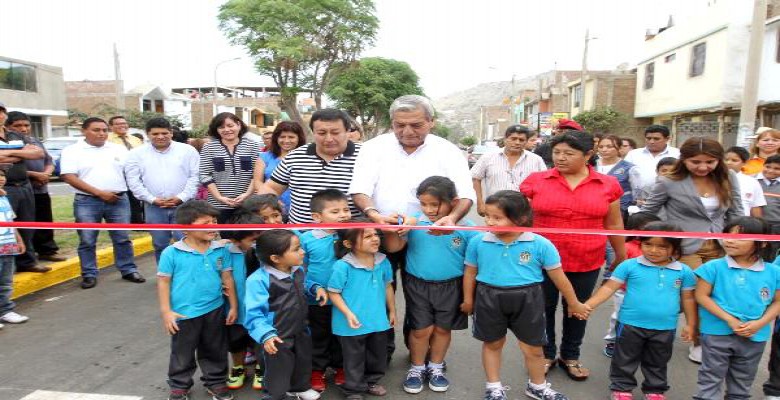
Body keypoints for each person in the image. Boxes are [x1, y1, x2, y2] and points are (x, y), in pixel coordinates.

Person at [520, 131, 626, 380]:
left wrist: (621, 255)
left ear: (588, 155)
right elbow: (520, 219)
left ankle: (571, 355)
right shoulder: (537, 180)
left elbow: (614, 223)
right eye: (557, 152)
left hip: (585, 257)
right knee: (542, 308)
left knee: (578, 308)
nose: (561, 158)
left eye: (569, 153)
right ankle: (546, 354)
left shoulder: (607, 185)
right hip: (540, 260)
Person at [462, 190, 586, 400]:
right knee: (492, 344)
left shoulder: (540, 244)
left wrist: (573, 303)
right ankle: (493, 387)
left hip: (528, 299)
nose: (490, 222)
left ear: (520, 219)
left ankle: (537, 386)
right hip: (489, 298)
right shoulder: (478, 241)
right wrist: (468, 299)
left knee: (534, 349)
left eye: (497, 217)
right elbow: (470, 272)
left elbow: (558, 277)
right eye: (487, 216)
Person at [638, 137, 742, 363]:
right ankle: (697, 340)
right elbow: (649, 213)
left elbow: (736, 212)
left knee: (719, 294)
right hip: (686, 247)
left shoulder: (728, 177)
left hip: (721, 245)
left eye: (710, 162)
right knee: (696, 294)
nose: (703, 167)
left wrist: (739, 241)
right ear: (683, 160)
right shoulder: (669, 181)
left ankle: (714, 337)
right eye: (696, 162)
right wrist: (660, 242)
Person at [382, 176, 479, 394]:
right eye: (424, 204)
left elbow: (476, 264)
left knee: (443, 329)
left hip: (452, 285)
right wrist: (394, 231)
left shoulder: (467, 228)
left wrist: (469, 297)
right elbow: (395, 248)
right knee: (420, 330)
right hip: (418, 285)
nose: (429, 210)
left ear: (453, 202)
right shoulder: (415, 222)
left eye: (435, 204)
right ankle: (417, 368)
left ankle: (435, 367)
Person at [582, 222, 696, 400]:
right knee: (624, 359)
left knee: (658, 362)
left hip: (665, 327)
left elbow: (688, 298)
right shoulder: (629, 266)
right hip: (630, 324)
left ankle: (655, 390)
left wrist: (691, 324)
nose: (653, 250)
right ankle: (622, 388)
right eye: (648, 244)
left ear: (675, 247)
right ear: (640, 243)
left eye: (662, 246)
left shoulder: (684, 271)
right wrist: (588, 305)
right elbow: (608, 288)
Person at [350, 94, 475, 231]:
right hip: (381, 234)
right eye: (400, 125)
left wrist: (452, 218)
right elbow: (359, 189)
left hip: (431, 234)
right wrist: (373, 214)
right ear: (392, 123)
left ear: (431, 121)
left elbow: (465, 194)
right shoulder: (373, 148)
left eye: (416, 125)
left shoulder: (449, 151)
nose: (408, 132)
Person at [156, 200, 237, 400]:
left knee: (215, 349)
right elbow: (164, 282)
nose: (212, 227)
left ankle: (216, 382)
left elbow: (227, 278)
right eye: (205, 224)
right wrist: (167, 312)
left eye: (214, 221)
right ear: (186, 229)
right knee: (182, 352)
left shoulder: (220, 250)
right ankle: (179, 385)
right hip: (183, 313)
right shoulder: (172, 252)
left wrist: (233, 306)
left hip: (215, 309)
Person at [693, 217, 780, 400]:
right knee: (711, 377)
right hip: (717, 331)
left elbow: (777, 302)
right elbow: (701, 295)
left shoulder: (773, 272)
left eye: (740, 237)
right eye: (727, 235)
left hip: (755, 335)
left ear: (762, 242)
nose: (730, 241)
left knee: (742, 380)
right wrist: (730, 319)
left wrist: (760, 323)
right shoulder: (713, 267)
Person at [60, 117, 145, 289]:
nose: (101, 133)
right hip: (87, 201)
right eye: (96, 130)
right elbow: (68, 176)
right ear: (84, 131)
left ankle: (128, 269)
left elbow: (131, 171)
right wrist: (99, 193)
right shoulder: (72, 150)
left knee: (122, 238)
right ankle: (89, 273)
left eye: (104, 130)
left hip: (118, 199)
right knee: (87, 239)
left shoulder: (118, 149)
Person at [244, 229, 326, 400]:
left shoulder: (297, 270)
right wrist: (266, 335)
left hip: (300, 328)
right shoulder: (258, 280)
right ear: (275, 258)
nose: (302, 252)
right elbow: (253, 314)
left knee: (302, 361)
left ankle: (300, 387)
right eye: (296, 249)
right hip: (275, 336)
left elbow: (304, 284)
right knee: (277, 370)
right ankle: (276, 396)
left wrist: (315, 288)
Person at [328, 224, 396, 400]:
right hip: (351, 323)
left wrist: (392, 311)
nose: (375, 239)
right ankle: (353, 389)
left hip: (378, 320)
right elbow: (333, 293)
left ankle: (372, 381)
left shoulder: (383, 261)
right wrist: (348, 314)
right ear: (348, 244)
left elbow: (388, 286)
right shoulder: (342, 266)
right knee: (353, 358)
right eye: (367, 236)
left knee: (377, 353)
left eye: (376, 234)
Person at [258, 109, 361, 224]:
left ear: (348, 131)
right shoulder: (295, 157)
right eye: (322, 133)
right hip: (302, 236)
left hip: (350, 236)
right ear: (313, 133)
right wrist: (271, 206)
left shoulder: (365, 156)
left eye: (335, 132)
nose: (329, 139)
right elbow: (271, 188)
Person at [125, 117, 200, 263]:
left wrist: (182, 197)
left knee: (187, 242)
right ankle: (165, 274)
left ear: (171, 133)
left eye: (164, 133)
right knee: (160, 244)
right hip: (153, 206)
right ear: (148, 134)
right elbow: (133, 181)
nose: (160, 137)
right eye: (155, 134)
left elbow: (195, 176)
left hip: (184, 205)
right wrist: (152, 199)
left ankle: (188, 274)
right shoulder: (136, 154)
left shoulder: (188, 151)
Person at [298, 189, 352, 392]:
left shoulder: (351, 235)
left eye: (346, 210)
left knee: (342, 336)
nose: (343, 215)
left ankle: (341, 368)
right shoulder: (307, 239)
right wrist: (313, 288)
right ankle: (316, 371)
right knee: (318, 337)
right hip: (316, 301)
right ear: (317, 217)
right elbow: (299, 270)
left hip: (346, 300)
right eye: (335, 211)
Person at [5, 111, 65, 262]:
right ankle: (23, 258)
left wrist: (45, 174)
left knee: (43, 220)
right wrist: (34, 174)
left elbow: (46, 159)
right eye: (18, 126)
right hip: (22, 186)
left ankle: (47, 250)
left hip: (41, 187)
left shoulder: (34, 141)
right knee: (22, 224)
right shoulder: (9, 142)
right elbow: (10, 165)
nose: (23, 129)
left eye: (26, 125)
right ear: (8, 126)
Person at [602, 213, 661, 359]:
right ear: (635, 230)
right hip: (625, 291)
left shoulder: (660, 250)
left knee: (645, 316)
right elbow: (617, 266)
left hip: (650, 293)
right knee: (619, 316)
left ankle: (640, 342)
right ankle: (613, 341)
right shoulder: (627, 247)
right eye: (648, 229)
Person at [0, 103, 46, 272]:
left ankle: (27, 262)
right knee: (7, 227)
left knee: (27, 225)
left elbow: (38, 153)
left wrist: (8, 154)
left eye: (1, 112)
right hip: (5, 188)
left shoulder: (14, 135)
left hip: (24, 186)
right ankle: (8, 266)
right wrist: (20, 154)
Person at [221, 213, 264, 392]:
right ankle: (238, 368)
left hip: (261, 309)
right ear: (235, 240)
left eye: (259, 237)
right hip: (235, 309)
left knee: (260, 340)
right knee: (235, 341)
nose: (257, 243)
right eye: (252, 240)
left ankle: (261, 368)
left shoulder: (265, 252)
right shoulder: (225, 252)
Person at [471, 125, 546, 216]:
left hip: (524, 211)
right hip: (495, 210)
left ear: (526, 142)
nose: (517, 142)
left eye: (521, 140)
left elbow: (544, 184)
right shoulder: (488, 157)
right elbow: (475, 178)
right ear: (505, 139)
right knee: (495, 230)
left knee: (523, 231)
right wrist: (480, 203)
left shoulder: (536, 160)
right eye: (513, 139)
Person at [199, 112, 260, 223]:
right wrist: (219, 197)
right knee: (226, 235)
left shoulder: (253, 145)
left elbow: (257, 174)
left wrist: (247, 194)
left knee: (249, 235)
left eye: (230, 126)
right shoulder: (209, 147)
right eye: (221, 127)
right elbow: (204, 174)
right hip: (219, 204)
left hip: (249, 202)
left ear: (239, 125)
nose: (227, 130)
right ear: (216, 130)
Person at [253, 121, 306, 213]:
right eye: (282, 137)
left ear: (299, 138)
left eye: (291, 137)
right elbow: (258, 182)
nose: (286, 141)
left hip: (300, 207)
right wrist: (272, 200)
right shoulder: (264, 157)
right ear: (276, 138)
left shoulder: (306, 157)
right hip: (272, 208)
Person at [0, 168, 29, 328]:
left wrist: (19, 240)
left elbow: (11, 222)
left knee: (5, 281)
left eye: (2, 175)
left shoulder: (4, 198)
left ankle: (6, 311)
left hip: (7, 245)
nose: (1, 179)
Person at [107, 116, 145, 224]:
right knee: (121, 198)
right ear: (111, 126)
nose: (122, 126)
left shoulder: (135, 139)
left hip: (135, 173)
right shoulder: (107, 139)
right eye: (118, 124)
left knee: (136, 197)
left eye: (124, 123)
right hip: (117, 174)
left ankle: (137, 221)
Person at [596, 135, 642, 221]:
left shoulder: (630, 168)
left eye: (609, 147)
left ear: (619, 148)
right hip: (595, 208)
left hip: (621, 209)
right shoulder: (591, 166)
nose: (604, 150)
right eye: (601, 147)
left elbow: (637, 192)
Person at [623, 125, 680, 191]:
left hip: (669, 197)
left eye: (656, 139)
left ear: (667, 139)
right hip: (638, 199)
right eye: (648, 138)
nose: (651, 142)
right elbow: (624, 176)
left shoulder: (677, 154)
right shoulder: (633, 154)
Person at [724, 146, 766, 217]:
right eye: (726, 159)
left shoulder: (752, 182)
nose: (728, 163)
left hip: (741, 223)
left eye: (734, 160)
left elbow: (755, 207)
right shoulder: (712, 179)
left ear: (744, 163)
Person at [757, 154, 780, 261]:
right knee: (755, 251)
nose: (771, 171)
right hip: (755, 223)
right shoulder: (752, 180)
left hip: (776, 226)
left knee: (772, 253)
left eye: (777, 168)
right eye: (768, 166)